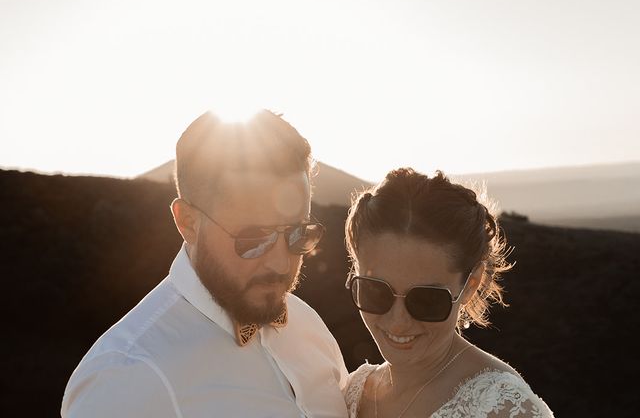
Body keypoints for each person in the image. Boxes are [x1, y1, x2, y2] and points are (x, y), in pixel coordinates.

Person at [61, 110, 349, 417]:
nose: (280, 264)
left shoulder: (310, 327)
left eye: (297, 233)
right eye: (253, 238)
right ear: (187, 222)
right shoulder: (125, 378)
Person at [343, 168, 553, 418]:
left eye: (426, 300)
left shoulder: (503, 409)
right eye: (376, 291)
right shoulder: (352, 391)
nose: (398, 322)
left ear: (471, 284)